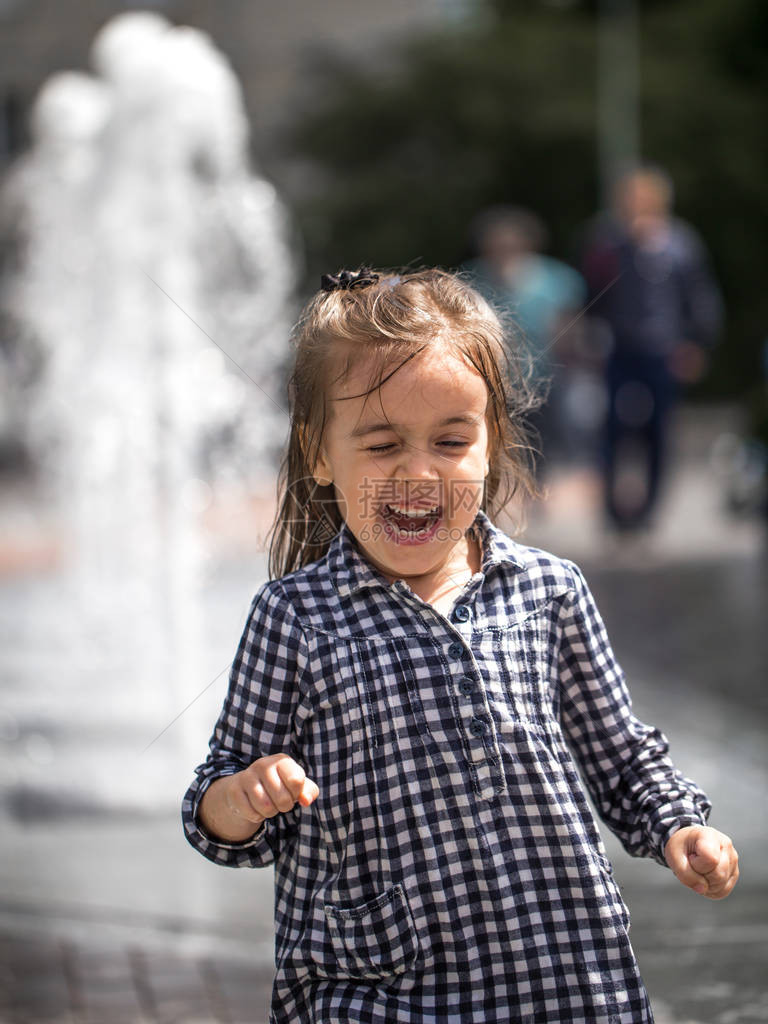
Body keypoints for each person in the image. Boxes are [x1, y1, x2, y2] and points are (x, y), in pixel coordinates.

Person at [181, 267, 738, 1023]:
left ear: (491, 443)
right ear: (320, 456)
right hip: (374, 988)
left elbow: (622, 756)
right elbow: (213, 811)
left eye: (450, 440)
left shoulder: (549, 591)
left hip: (565, 978)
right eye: (380, 445)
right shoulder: (296, 618)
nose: (418, 472)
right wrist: (246, 796)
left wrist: (681, 824)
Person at [581, 164, 724, 532]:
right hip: (618, 348)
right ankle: (614, 512)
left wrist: (696, 342)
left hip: (664, 348)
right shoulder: (607, 240)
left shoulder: (680, 242)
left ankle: (649, 512)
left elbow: (699, 296)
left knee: (659, 430)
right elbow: (591, 289)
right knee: (612, 428)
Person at [462, 205, 590, 474]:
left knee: (543, 436)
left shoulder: (557, 279)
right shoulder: (471, 278)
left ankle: (537, 484)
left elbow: (569, 324)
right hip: (490, 374)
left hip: (545, 372)